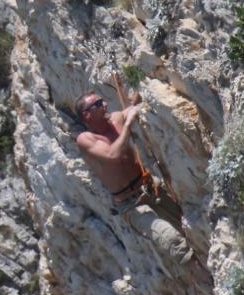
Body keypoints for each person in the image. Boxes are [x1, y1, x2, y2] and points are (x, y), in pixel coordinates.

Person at [73, 91, 194, 265]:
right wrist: (128, 124)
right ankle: (200, 273)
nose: (105, 104)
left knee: (187, 227)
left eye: (103, 100)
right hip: (131, 204)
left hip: (151, 187)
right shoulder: (86, 139)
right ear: (87, 115)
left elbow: (132, 108)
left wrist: (134, 104)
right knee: (171, 239)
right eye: (98, 104)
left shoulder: (116, 119)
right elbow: (113, 155)